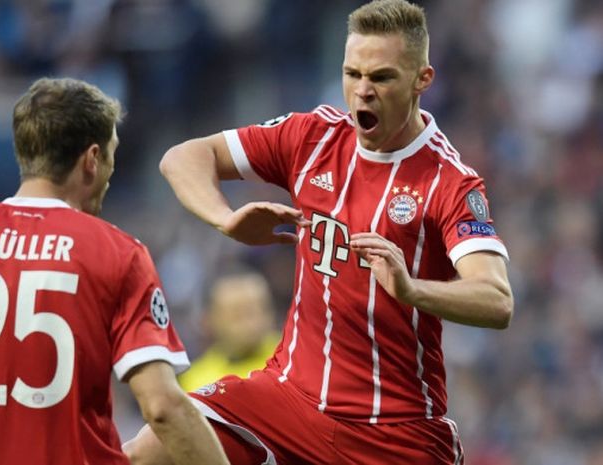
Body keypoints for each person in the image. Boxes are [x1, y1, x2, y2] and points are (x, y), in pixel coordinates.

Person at [126, 0, 514, 464]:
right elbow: (183, 157)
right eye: (353, 74)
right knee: (148, 451)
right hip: (288, 399)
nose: (362, 92)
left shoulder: (449, 181)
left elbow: (496, 300)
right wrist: (224, 218)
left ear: (421, 80)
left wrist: (412, 290)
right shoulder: (312, 137)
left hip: (395, 432)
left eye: (382, 77)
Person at [0, 77, 229, 465]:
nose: (110, 170)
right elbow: (162, 407)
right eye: (111, 154)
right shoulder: (117, 254)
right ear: (92, 159)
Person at [178, 271, 280, 392]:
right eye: (238, 315)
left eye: (259, 310)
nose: (253, 323)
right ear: (208, 320)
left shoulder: (295, 357)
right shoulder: (196, 384)